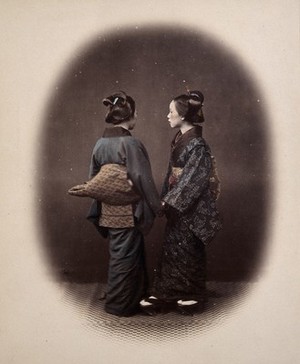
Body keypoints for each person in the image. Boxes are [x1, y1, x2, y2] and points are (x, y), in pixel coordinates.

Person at [140, 90, 222, 315]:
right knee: (173, 248)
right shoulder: (180, 140)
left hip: (191, 206)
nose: (167, 116)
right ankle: (169, 291)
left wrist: (169, 201)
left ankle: (191, 294)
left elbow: (194, 177)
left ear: (183, 116)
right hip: (178, 204)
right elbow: (172, 174)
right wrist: (166, 198)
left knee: (187, 248)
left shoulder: (197, 145)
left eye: (171, 112)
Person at [87, 91, 162, 317]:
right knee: (125, 255)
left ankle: (136, 298)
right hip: (129, 209)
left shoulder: (99, 144)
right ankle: (119, 305)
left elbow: (94, 179)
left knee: (125, 252)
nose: (137, 116)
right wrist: (158, 206)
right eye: (136, 112)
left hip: (108, 209)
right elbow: (142, 178)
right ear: (131, 115)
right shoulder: (131, 143)